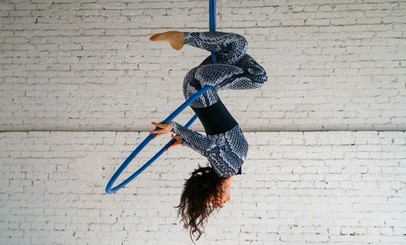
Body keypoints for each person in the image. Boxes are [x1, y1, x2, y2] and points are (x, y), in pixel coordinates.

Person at [149, 31, 268, 240]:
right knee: (236, 47)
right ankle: (183, 39)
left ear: (213, 190)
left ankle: (182, 38)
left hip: (202, 87)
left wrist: (176, 128)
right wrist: (184, 141)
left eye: (212, 201)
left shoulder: (227, 168)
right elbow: (210, 147)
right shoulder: (228, 167)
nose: (218, 204)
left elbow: (208, 147)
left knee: (258, 77)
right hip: (198, 87)